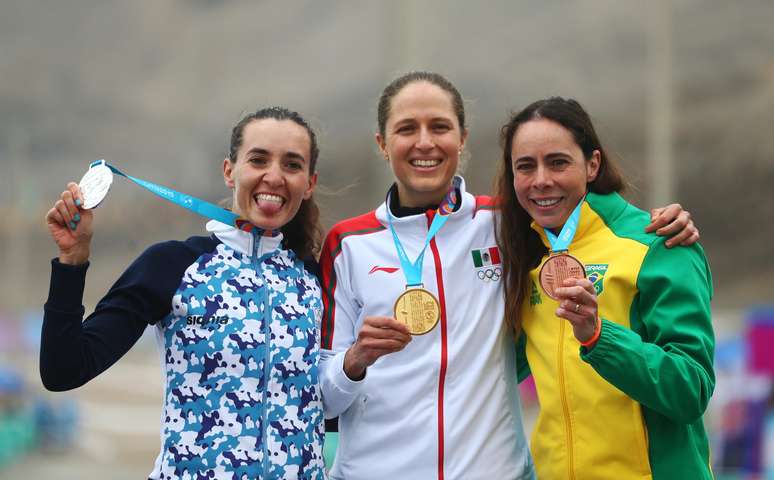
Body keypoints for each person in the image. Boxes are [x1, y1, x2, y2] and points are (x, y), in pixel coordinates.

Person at [318, 72, 699, 480]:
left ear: (462, 138)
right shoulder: (348, 244)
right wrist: (353, 362)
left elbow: (575, 210)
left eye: (440, 127)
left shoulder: (507, 225)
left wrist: (660, 222)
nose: (424, 142)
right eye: (407, 128)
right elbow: (321, 398)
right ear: (382, 143)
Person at [41, 107, 327, 479]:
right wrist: (72, 261)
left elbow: (333, 399)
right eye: (258, 159)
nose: (273, 176)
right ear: (230, 171)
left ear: (309, 183)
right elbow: (63, 370)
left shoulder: (314, 278)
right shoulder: (172, 265)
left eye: (291, 165)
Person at [495, 97, 714, 479]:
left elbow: (690, 390)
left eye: (558, 162)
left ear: (592, 164)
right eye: (525, 166)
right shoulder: (524, 260)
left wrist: (599, 336)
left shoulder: (659, 244)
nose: (541, 180)